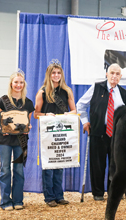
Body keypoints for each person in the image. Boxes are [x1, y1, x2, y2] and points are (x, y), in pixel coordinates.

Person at [76, 63, 126, 201]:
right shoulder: (96, 87)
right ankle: (98, 193)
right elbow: (80, 105)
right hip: (98, 132)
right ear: (106, 74)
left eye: (117, 74)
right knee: (97, 165)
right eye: (112, 73)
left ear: (120, 77)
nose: (114, 76)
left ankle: (114, 192)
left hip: (117, 135)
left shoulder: (125, 94)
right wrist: (85, 121)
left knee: (116, 165)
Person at [34, 59, 76, 207]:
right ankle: (49, 197)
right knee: (49, 166)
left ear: (61, 75)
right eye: (54, 73)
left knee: (60, 164)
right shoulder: (43, 92)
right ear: (49, 75)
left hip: (62, 132)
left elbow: (74, 110)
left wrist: (67, 114)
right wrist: (47, 116)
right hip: (48, 133)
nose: (56, 75)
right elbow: (36, 113)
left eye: (58, 73)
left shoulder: (67, 91)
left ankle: (59, 195)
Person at [0, 70, 34, 210]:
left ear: (24, 84)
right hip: (5, 140)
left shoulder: (28, 103)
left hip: (21, 141)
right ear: (11, 83)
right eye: (16, 82)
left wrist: (28, 126)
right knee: (5, 169)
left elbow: (27, 122)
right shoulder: (2, 100)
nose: (18, 85)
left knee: (18, 170)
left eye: (21, 82)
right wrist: (1, 127)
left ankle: (18, 201)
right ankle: (5, 201)